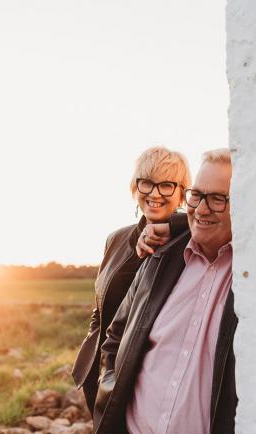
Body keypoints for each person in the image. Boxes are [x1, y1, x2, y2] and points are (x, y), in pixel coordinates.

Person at [94, 149, 237, 434]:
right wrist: (108, 402)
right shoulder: (159, 260)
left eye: (218, 199)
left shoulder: (251, 278)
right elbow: (113, 338)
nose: (203, 208)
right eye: (197, 195)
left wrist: (175, 224)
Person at [71, 146, 191, 415]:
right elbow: (100, 309)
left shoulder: (190, 242)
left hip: (151, 381)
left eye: (167, 185)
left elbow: (225, 224)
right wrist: (94, 365)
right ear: (134, 187)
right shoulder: (115, 239)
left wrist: (178, 225)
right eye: (146, 182)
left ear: (183, 193)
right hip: (103, 375)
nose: (155, 193)